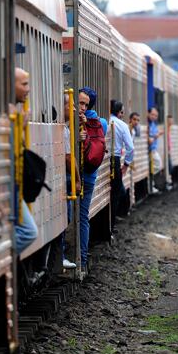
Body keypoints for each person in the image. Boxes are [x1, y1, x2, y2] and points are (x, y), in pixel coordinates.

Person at [78, 86, 107, 270]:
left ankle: (77, 258)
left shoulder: (88, 122)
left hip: (82, 175)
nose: (81, 107)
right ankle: (82, 259)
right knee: (83, 217)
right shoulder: (101, 122)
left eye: (84, 104)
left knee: (75, 216)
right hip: (90, 176)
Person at [10, 68, 39, 254]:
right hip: (8, 184)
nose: (28, 89)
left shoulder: (15, 112)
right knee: (28, 232)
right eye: (24, 84)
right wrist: (20, 126)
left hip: (12, 183)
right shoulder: (10, 114)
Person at [109, 100, 134, 223]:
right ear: (119, 112)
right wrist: (126, 164)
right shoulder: (122, 125)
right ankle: (112, 224)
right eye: (122, 112)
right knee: (115, 192)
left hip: (102, 159)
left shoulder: (104, 121)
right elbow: (131, 148)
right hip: (115, 159)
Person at [61, 92, 79, 270]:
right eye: (71, 105)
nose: (74, 109)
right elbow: (68, 157)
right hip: (64, 178)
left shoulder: (65, 128)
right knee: (65, 217)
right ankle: (61, 255)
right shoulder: (63, 130)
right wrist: (77, 179)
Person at [147, 107, 162, 194]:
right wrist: (157, 135)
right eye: (152, 114)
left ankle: (152, 185)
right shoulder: (147, 124)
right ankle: (151, 186)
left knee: (155, 167)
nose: (154, 117)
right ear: (148, 113)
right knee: (156, 165)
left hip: (153, 149)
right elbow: (150, 140)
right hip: (150, 150)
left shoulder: (153, 124)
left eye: (156, 116)